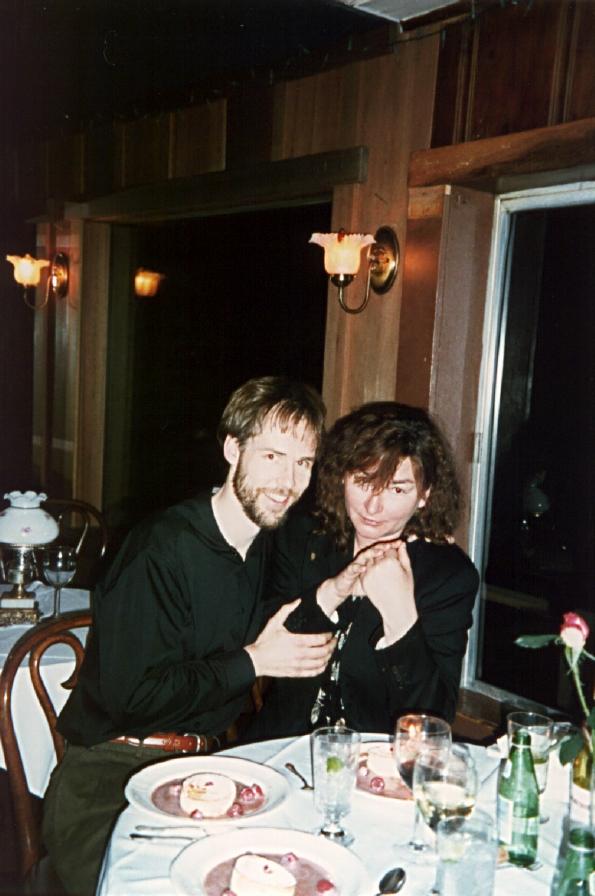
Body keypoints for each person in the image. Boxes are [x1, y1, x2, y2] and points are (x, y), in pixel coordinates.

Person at [43, 376, 334, 896]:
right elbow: (133, 698)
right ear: (232, 449)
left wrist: (340, 590)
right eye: (272, 456)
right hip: (111, 778)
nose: (288, 481)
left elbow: (279, 629)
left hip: (203, 769)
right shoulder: (160, 549)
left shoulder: (262, 544)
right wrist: (252, 662)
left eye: (303, 463)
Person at [248, 401, 479, 740]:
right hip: (281, 746)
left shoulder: (447, 576)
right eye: (363, 481)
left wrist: (401, 618)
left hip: (378, 759)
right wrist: (329, 594)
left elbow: (432, 717)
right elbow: (264, 639)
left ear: (425, 495)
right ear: (343, 476)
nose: (373, 505)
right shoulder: (304, 538)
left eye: (397, 489)